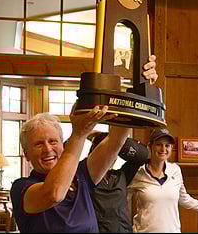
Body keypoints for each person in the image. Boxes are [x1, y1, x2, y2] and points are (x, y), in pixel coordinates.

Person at [10, 56, 158, 233]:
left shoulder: (81, 174)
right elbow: (54, 194)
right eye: (38, 144)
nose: (48, 149)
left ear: (62, 145)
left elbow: (116, 140)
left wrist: (137, 86)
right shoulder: (21, 187)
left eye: (53, 141)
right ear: (26, 154)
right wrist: (79, 134)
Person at [128, 128, 198, 233]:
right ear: (150, 146)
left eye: (167, 145)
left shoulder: (175, 170)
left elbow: (184, 199)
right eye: (159, 144)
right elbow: (122, 200)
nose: (163, 149)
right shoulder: (138, 172)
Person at [87, 130, 149, 233]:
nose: (113, 157)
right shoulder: (86, 177)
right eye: (107, 153)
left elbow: (142, 155)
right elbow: (64, 155)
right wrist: (85, 135)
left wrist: (117, 141)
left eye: (114, 153)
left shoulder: (121, 176)